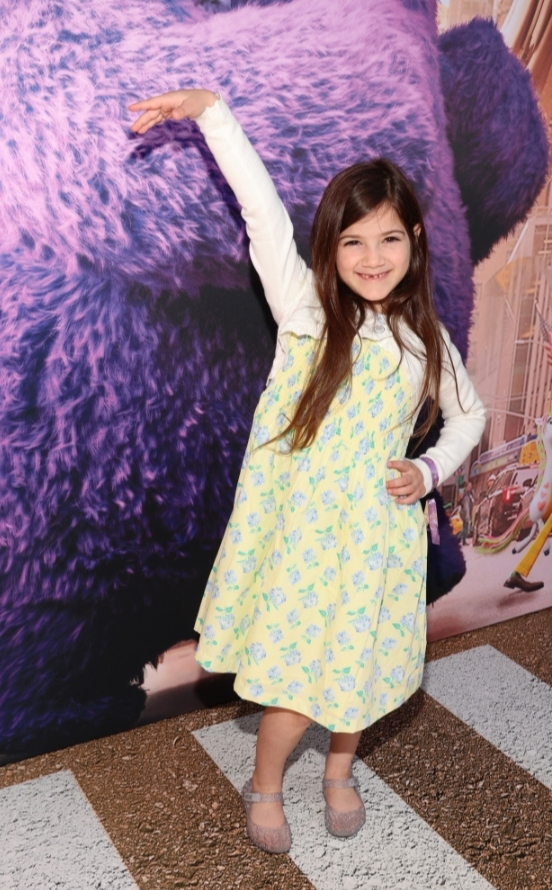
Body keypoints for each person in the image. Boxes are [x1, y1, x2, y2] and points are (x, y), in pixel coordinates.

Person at [128, 89, 486, 854]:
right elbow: (263, 215)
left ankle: (338, 773)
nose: (372, 258)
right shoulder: (307, 314)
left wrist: (427, 473)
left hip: (376, 542)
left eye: (389, 239)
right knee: (293, 689)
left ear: (415, 241)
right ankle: (264, 786)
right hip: (300, 543)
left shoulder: (427, 336)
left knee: (356, 674)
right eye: (352, 242)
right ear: (329, 249)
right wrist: (213, 115)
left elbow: (471, 417)